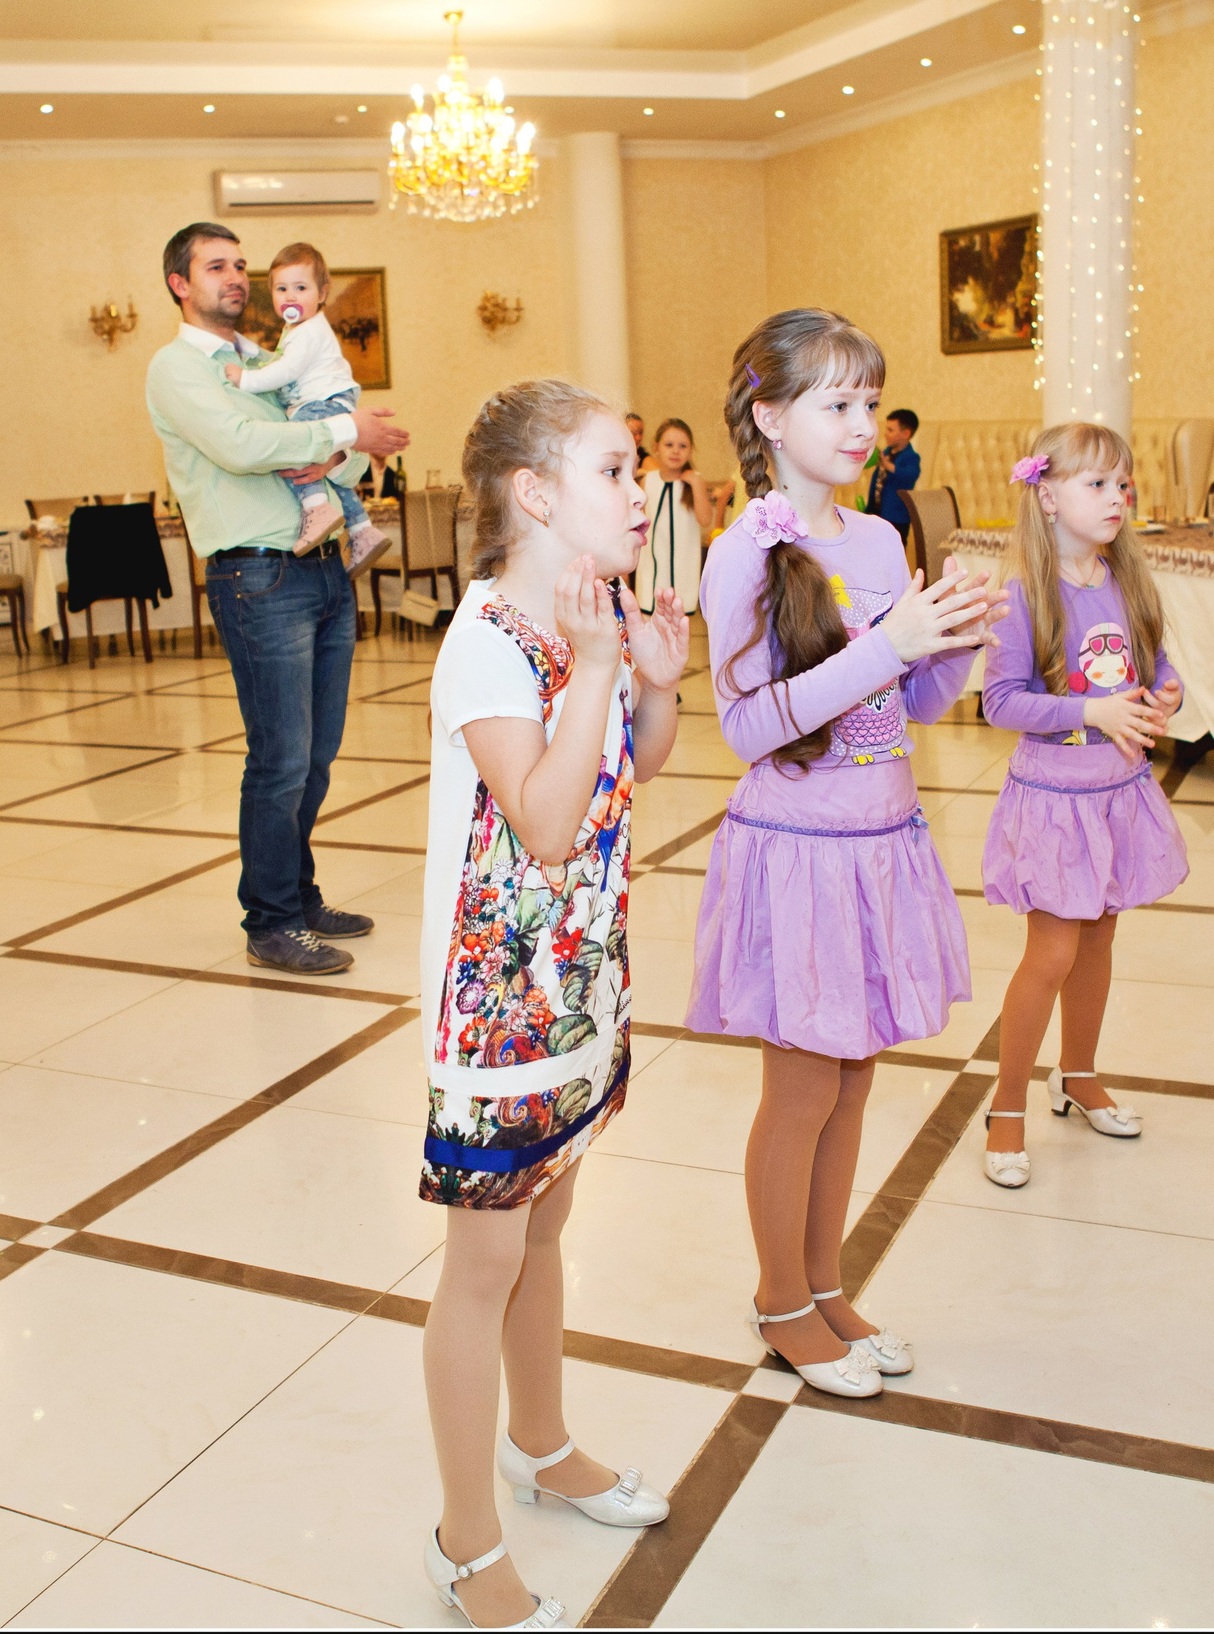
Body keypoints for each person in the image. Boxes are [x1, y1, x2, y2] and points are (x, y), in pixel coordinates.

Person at [686, 309, 998, 1399]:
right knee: (802, 1090)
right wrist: (887, 643)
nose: (862, 423)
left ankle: (824, 1285)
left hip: (882, 841)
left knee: (854, 1082)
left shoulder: (876, 539)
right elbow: (746, 726)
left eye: (871, 402)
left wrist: (950, 645)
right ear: (769, 417)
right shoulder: (745, 551)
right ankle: (778, 1301)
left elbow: (902, 701)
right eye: (837, 403)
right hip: (800, 849)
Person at [419, 380, 690, 1630]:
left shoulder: (596, 611)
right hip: (497, 1009)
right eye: (615, 470)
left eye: (638, 472)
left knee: (547, 1227)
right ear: (535, 495)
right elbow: (537, 816)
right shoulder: (487, 634)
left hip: (579, 986)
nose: (641, 493)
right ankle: (465, 1541)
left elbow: (631, 764)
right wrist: (592, 666)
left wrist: (655, 685)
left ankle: (542, 1443)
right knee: (482, 1262)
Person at [145, 221, 410, 975]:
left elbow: (341, 465)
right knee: (280, 760)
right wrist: (337, 433)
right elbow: (239, 445)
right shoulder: (177, 369)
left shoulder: (268, 360)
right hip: (256, 576)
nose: (236, 278)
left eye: (240, 266)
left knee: (318, 757)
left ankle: (298, 894)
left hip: (324, 568)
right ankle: (270, 923)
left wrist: (341, 440)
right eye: (215, 267)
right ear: (180, 283)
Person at [976, 424, 1190, 1188]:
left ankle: (1077, 1073)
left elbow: (1156, 666)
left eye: (1122, 484)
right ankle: (1005, 1106)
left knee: (1099, 943)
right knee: (1053, 953)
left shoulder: (1126, 581)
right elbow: (1001, 703)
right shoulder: (1023, 595)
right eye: (1096, 484)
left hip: (1116, 792)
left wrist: (1166, 693)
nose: (1116, 499)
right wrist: (1091, 715)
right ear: (1047, 494)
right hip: (1055, 800)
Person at [226, 242, 395, 574]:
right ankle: (362, 531)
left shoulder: (308, 331)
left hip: (321, 404)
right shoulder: (296, 330)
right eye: (281, 288)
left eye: (300, 288)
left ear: (322, 293)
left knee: (292, 447)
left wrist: (245, 380)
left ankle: (316, 510)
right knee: (328, 474)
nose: (290, 296)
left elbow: (284, 372)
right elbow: (280, 361)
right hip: (331, 402)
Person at [638, 418, 706, 615]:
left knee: (678, 633)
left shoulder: (694, 482)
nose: (676, 451)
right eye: (669, 445)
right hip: (651, 570)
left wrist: (695, 485)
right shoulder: (647, 481)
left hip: (683, 570)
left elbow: (704, 520)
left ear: (691, 450)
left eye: (682, 446)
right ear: (656, 447)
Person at [865, 408, 922, 546]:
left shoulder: (911, 457)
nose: (885, 434)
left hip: (896, 518)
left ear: (906, 433)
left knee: (894, 551)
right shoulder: (886, 452)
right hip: (877, 513)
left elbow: (911, 474)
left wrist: (888, 466)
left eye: (890, 430)